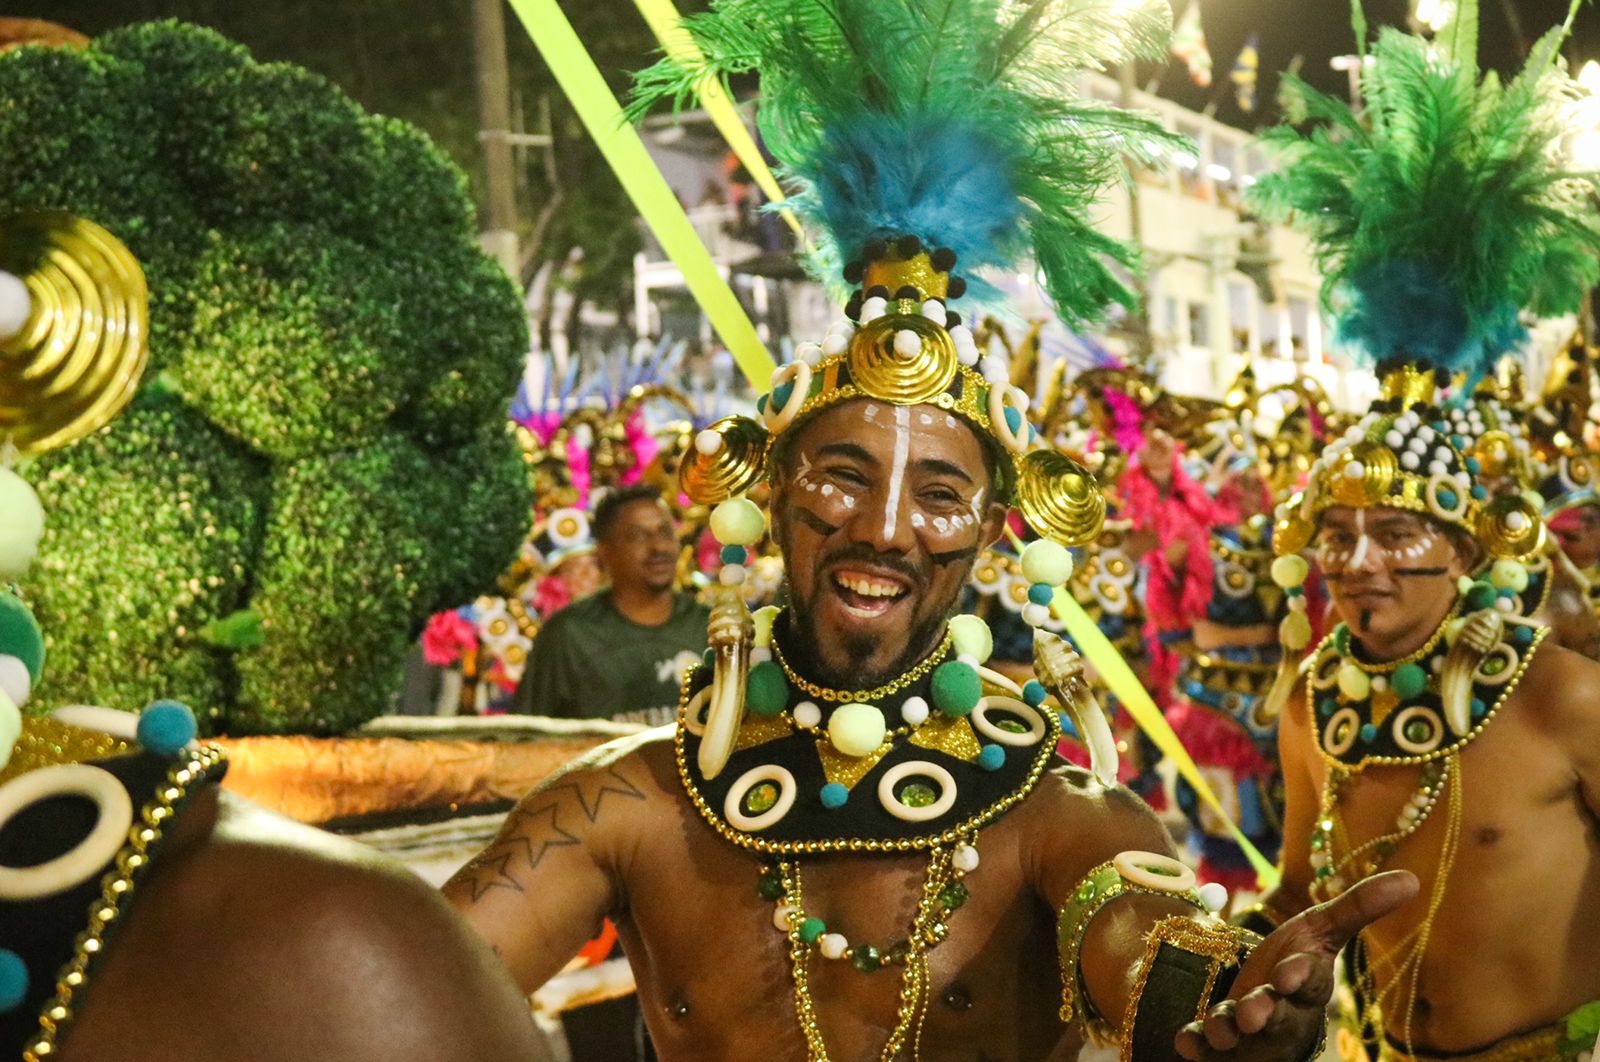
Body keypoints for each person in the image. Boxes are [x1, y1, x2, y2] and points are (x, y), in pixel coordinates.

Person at [449, 5, 1412, 1057]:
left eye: (939, 497)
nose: (885, 530)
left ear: (996, 530)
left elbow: (1150, 951)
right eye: (841, 478)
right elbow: (420, 978)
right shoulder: (627, 805)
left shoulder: (1056, 813)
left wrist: (1233, 1000)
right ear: (769, 494)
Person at [1243, 5, 1600, 1057]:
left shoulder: (1558, 696)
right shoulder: (1313, 702)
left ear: (1466, 546)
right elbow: (1298, 893)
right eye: (1335, 532)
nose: (1356, 564)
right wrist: (1231, 971)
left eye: (1395, 531)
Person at [512, 486, 708, 726]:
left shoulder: (707, 626)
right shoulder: (569, 634)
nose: (658, 547)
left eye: (666, 533)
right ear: (604, 551)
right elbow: (528, 737)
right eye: (638, 536)